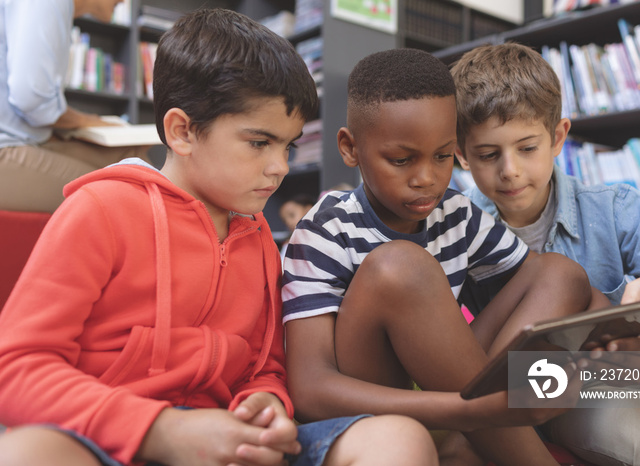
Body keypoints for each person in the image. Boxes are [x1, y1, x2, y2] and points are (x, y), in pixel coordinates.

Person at [0, 10, 439, 466]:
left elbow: (264, 368)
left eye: (287, 146)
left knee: (397, 440)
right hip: (109, 441)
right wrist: (161, 430)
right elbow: (15, 369)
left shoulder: (261, 239)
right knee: (24, 453)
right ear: (182, 131)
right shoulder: (99, 211)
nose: (281, 167)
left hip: (228, 443)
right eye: (258, 143)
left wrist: (268, 405)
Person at [281, 47, 606, 466]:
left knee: (562, 272)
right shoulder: (324, 229)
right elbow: (309, 390)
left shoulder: (455, 212)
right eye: (401, 160)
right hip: (385, 407)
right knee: (401, 266)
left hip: (455, 388)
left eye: (442, 156)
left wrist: (605, 336)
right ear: (350, 148)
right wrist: (466, 409)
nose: (427, 179)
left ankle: (473, 430)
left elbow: (549, 283)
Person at [453, 42, 640, 465]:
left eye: (527, 148)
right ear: (460, 155)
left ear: (558, 138)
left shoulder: (612, 207)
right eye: (488, 154)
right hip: (566, 395)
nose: (509, 170)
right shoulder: (458, 231)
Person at [0, 0, 151, 213]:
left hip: (25, 138)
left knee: (132, 157)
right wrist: (87, 121)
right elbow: (31, 99)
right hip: (6, 147)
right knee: (126, 192)